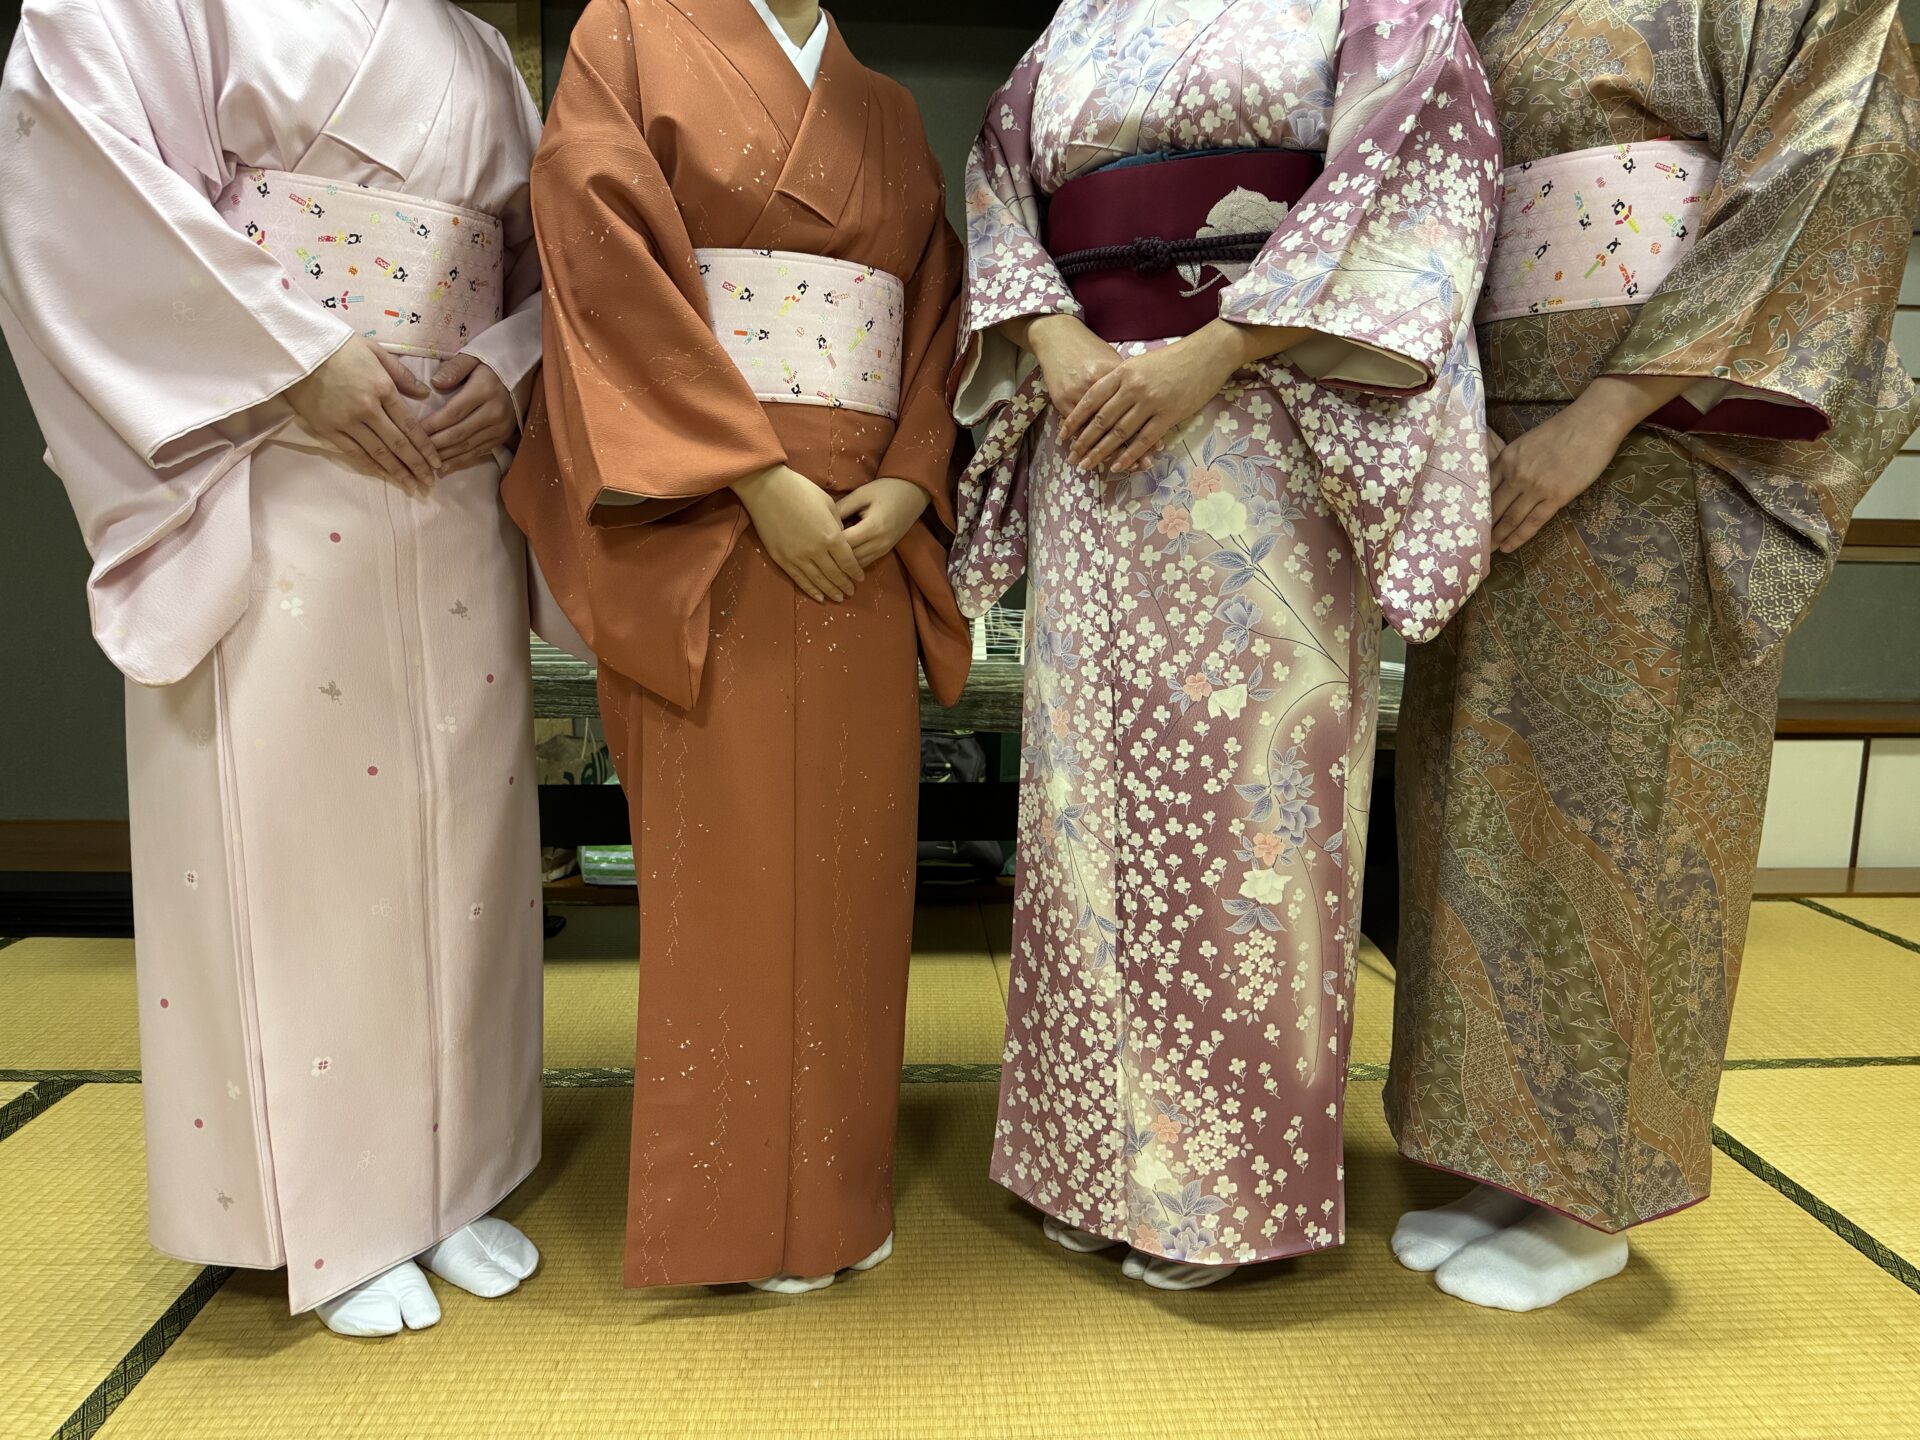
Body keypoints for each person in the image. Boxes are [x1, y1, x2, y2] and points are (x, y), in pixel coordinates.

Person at [0, 0, 551, 1336]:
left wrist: (512, 366)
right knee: (302, 852)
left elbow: (550, 268)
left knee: (464, 845)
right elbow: (79, 176)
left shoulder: (479, 51)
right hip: (274, 461)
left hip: (453, 473)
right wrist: (299, 361)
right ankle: (327, 1212)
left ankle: (452, 1178)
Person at [947, 0, 1499, 1289]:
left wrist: (1217, 349)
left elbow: (1414, 184)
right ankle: (1087, 1158)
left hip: (1263, 426)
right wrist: (1053, 335)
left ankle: (1228, 1186)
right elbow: (1000, 185)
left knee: (1248, 805)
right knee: (1083, 805)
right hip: (1089, 428)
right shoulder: (1079, 22)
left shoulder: (1383, 8)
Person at [1386, 0, 1920, 1311]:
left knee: (1628, 809)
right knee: (1478, 815)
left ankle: (1594, 1198)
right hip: (1492, 449)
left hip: (1657, 449)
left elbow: (1829, 179)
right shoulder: (1498, 17)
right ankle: (1507, 1159)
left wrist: (1605, 414)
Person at [502, 0, 969, 1293]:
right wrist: (756, 476)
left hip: (862, 537)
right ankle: (724, 1208)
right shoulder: (627, 32)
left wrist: (914, 480)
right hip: (708, 525)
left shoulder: (885, 112)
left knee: (856, 877)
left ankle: (838, 1196)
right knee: (726, 872)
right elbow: (599, 262)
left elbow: (938, 314)